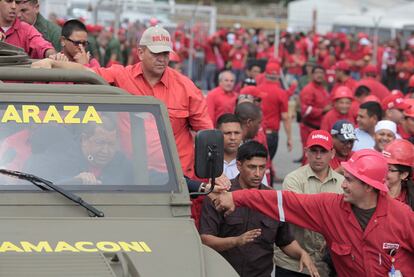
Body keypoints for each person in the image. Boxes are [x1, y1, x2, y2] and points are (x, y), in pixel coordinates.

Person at [31, 25, 213, 178]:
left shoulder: (186, 88)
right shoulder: (122, 76)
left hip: (175, 179)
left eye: (166, 54)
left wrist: (216, 173)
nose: (162, 59)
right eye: (156, 53)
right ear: (141, 53)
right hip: (131, 175)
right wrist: (52, 63)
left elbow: (207, 134)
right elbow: (86, 72)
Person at [212, 149, 414, 276]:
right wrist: (236, 197)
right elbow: (283, 201)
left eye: (350, 180)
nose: (342, 185)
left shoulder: (403, 217)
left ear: (369, 187)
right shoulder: (330, 208)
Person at [199, 141, 319, 277]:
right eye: (252, 167)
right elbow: (205, 239)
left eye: (262, 167)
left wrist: (301, 253)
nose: (257, 173)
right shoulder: (220, 195)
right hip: (224, 273)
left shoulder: (273, 199)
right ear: (239, 165)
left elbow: (285, 241)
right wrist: (235, 241)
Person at [275, 130, 343, 277]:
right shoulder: (293, 179)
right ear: (306, 152)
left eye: (323, 151)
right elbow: (301, 212)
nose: (318, 156)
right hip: (293, 262)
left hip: (327, 263)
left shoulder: (343, 183)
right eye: (314, 150)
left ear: (332, 153)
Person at [257, 62, 293, 160]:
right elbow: (285, 117)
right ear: (278, 76)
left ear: (265, 74)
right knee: (266, 163)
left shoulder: (257, 90)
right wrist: (289, 137)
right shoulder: (281, 93)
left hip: (257, 132)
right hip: (271, 134)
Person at [300, 66, 331, 163]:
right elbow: (305, 111)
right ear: (312, 75)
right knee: (308, 156)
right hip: (309, 128)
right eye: (317, 72)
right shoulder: (309, 89)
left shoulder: (323, 89)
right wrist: (322, 110)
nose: (319, 75)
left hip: (319, 129)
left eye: (321, 73)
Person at [383, 139, 414, 210]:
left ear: (404, 175)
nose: (383, 172)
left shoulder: (410, 199)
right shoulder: (373, 194)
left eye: (389, 169)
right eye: (383, 166)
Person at [216, 113, 243, 180]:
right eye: (227, 133)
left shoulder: (250, 161)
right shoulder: (207, 162)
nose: (233, 138)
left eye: (236, 133)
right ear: (217, 134)